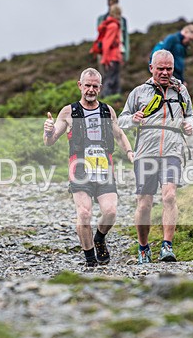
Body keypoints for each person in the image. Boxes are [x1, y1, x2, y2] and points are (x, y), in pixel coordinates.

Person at [43, 68, 134, 267]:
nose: (91, 90)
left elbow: (119, 135)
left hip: (104, 169)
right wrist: (48, 131)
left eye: (94, 86)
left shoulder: (107, 110)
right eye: (87, 85)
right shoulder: (69, 111)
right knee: (84, 213)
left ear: (100, 88)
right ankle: (90, 259)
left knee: (110, 212)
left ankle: (99, 238)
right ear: (80, 85)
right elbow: (50, 141)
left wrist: (130, 152)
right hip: (80, 169)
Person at [118, 49, 193, 264]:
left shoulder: (181, 91)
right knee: (144, 203)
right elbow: (121, 121)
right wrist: (133, 118)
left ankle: (166, 246)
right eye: (160, 68)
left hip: (172, 151)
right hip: (146, 153)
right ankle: (143, 247)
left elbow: (190, 115)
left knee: (169, 196)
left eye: (168, 68)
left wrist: (189, 126)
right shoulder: (139, 92)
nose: (165, 72)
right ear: (151, 68)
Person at [93, 4, 124, 97]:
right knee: (110, 80)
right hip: (112, 57)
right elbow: (107, 43)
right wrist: (105, 60)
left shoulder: (110, 24)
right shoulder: (113, 26)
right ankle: (106, 99)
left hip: (112, 57)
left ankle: (113, 99)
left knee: (113, 79)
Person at [96, 0, 130, 64]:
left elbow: (125, 37)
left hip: (118, 51)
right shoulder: (102, 19)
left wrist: (126, 53)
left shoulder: (122, 21)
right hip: (104, 51)